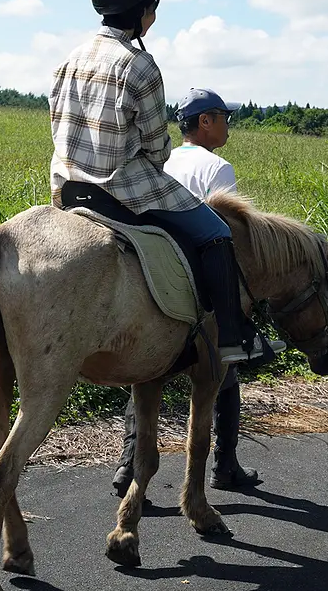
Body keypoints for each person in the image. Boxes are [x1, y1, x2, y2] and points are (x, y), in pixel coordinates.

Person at [49, 0, 283, 382]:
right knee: (217, 233)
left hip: (68, 189)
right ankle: (234, 338)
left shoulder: (68, 59)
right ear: (142, 9)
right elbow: (157, 150)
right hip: (124, 192)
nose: (154, 15)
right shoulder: (139, 64)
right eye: (153, 6)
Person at [110, 88, 265, 496]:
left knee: (146, 371)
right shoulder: (218, 167)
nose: (228, 125)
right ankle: (225, 464)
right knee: (225, 364)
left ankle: (128, 467)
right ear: (205, 122)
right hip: (195, 267)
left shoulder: (162, 160)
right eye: (223, 117)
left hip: (155, 263)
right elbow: (222, 231)